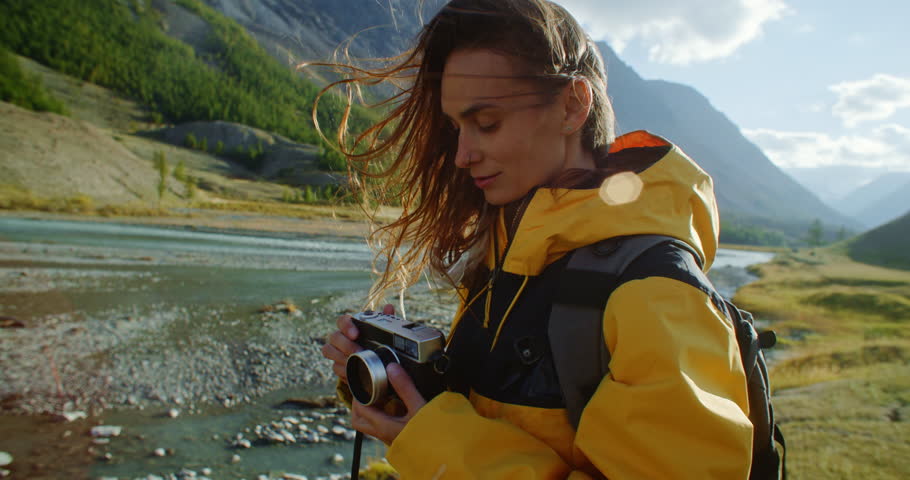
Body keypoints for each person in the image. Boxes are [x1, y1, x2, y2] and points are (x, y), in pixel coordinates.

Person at [319, 0, 753, 478]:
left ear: (572, 105)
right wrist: (394, 390)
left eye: (487, 123)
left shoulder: (657, 293)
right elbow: (485, 424)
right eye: (455, 128)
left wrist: (436, 443)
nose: (462, 155)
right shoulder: (505, 255)